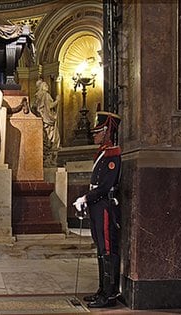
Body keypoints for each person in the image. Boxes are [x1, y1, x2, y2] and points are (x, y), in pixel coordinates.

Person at [73, 111, 122, 308]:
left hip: (104, 207)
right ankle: (102, 290)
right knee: (101, 249)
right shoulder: (103, 153)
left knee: (107, 249)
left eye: (97, 132)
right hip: (96, 206)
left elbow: (104, 186)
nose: (94, 136)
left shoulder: (113, 154)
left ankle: (109, 296)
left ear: (105, 132)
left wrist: (85, 197)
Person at [32, 79, 60, 164]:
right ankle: (50, 159)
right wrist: (57, 101)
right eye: (45, 85)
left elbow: (34, 108)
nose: (47, 86)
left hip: (42, 121)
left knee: (46, 138)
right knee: (54, 139)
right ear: (41, 87)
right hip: (48, 120)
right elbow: (50, 106)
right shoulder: (46, 95)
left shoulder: (37, 97)